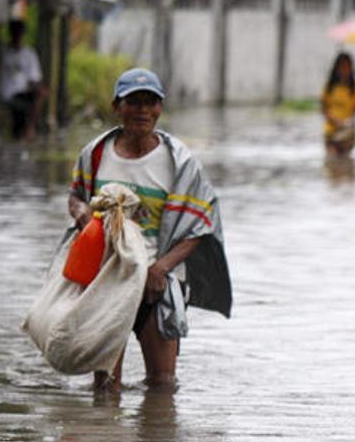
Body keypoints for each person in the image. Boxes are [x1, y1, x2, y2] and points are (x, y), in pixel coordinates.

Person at [67, 68, 232, 391]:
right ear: (117, 107)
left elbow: (201, 224)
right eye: (134, 101)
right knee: (105, 388)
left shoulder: (179, 163)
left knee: (162, 389)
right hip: (106, 280)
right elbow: (75, 196)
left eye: (150, 102)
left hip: (155, 285)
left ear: (160, 109)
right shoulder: (96, 154)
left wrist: (162, 268)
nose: (142, 110)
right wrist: (81, 212)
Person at [0, 19, 46, 141]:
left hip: (21, 94)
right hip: (5, 93)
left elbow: (34, 78)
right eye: (15, 33)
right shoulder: (3, 53)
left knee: (37, 95)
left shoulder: (29, 54)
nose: (17, 36)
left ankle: (30, 129)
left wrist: (40, 89)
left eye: (19, 33)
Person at [321, 52, 355, 159]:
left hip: (348, 131)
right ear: (336, 68)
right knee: (332, 161)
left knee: (345, 162)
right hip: (331, 129)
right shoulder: (330, 87)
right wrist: (335, 121)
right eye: (342, 66)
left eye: (347, 66)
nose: (344, 69)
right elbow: (324, 108)